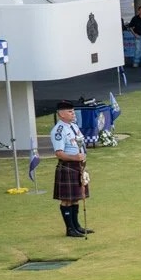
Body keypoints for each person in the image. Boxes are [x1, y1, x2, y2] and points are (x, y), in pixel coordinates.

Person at [50, 99, 91, 238]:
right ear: (61, 114)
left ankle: (76, 226)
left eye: (73, 111)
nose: (73, 113)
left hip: (78, 166)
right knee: (67, 199)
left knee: (76, 198)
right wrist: (76, 158)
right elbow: (59, 153)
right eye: (70, 111)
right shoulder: (59, 130)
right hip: (68, 166)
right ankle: (70, 229)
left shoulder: (73, 126)